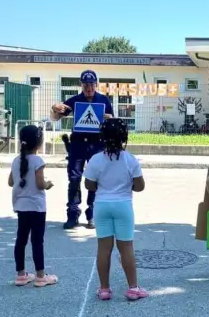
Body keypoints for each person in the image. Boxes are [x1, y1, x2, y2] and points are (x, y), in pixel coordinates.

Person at [83, 118, 149, 301]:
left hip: (102, 205)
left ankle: (104, 289)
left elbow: (89, 184)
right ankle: (133, 288)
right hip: (123, 205)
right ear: (124, 137)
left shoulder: (96, 159)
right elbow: (140, 186)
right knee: (126, 247)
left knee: (104, 248)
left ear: (102, 136)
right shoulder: (130, 159)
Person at [50, 69, 114, 230]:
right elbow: (55, 118)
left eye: (91, 85)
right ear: (81, 85)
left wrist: (108, 119)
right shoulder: (75, 100)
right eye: (86, 85)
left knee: (95, 179)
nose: (89, 88)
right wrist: (54, 109)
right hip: (77, 144)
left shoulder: (103, 100)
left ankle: (92, 214)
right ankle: (72, 214)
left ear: (96, 84)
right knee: (74, 178)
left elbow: (112, 121)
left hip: (97, 144)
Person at [8, 125, 58, 287]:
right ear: (39, 143)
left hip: (21, 205)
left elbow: (10, 181)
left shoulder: (16, 160)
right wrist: (48, 184)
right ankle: (40, 276)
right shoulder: (38, 161)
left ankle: (21, 274)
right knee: (37, 241)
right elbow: (39, 183)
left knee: (21, 240)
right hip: (36, 206)